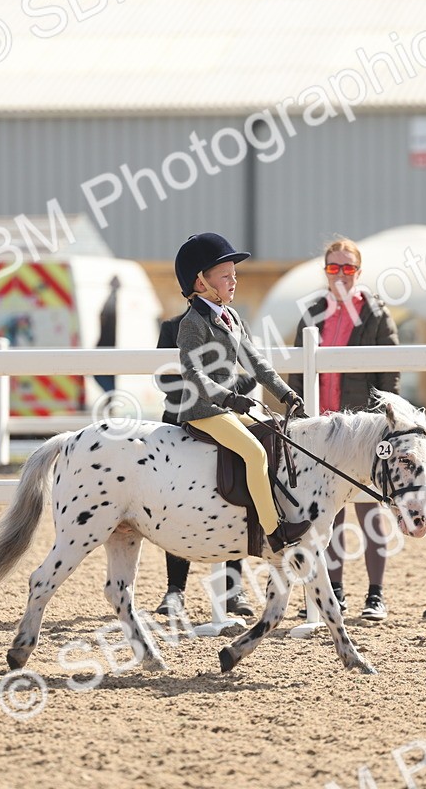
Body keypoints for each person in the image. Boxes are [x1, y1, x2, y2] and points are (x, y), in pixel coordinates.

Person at [173, 232, 309, 554]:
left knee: (275, 436)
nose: (234, 281)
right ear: (201, 283)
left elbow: (257, 363)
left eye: (235, 275)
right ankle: (274, 532)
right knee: (255, 453)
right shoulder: (192, 323)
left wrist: (285, 393)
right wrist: (227, 398)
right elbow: (192, 374)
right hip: (203, 410)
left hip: (228, 408)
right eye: (225, 276)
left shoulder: (231, 317)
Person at [289, 238, 400, 622]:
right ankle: (334, 591)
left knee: (370, 511)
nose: (340, 275)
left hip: (361, 430)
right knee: (329, 514)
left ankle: (375, 594)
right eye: (333, 268)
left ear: (358, 271)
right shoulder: (312, 312)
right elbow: (296, 370)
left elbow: (390, 377)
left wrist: (382, 427)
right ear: (325, 270)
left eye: (347, 268)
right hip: (323, 429)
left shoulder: (375, 314)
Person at [153, 307, 255, 619]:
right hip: (180, 423)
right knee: (175, 502)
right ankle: (175, 589)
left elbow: (251, 374)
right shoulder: (172, 328)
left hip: (226, 420)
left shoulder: (236, 323)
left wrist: (222, 396)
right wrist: (201, 396)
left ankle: (232, 588)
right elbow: (164, 378)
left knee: (236, 496)